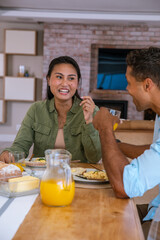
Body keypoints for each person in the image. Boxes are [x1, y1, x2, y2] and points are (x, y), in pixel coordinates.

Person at [92, 47, 160, 239]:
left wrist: (105, 129)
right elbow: (153, 152)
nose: (126, 89)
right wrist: (115, 144)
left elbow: (124, 186)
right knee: (103, 214)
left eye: (129, 83)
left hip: (158, 221)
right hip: (154, 207)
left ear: (148, 85)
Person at [0, 56, 101, 163]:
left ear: (77, 82)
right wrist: (8, 153)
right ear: (48, 80)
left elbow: (94, 158)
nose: (65, 83)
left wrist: (89, 121)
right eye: (59, 77)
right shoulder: (36, 109)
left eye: (71, 78)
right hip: (42, 174)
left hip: (78, 175)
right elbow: (20, 145)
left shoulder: (91, 110)